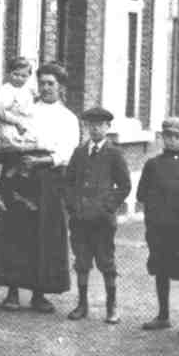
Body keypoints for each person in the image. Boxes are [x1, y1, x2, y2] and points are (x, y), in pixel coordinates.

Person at [0, 62, 79, 312]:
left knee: (45, 234)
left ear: (61, 87)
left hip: (49, 177)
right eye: (42, 83)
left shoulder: (68, 118)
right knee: (16, 231)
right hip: (21, 174)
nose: (46, 87)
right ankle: (12, 289)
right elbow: (10, 132)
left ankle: (40, 293)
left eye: (51, 83)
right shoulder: (27, 110)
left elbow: (67, 151)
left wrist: (44, 160)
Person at [64, 106, 130, 324]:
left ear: (108, 127)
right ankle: (82, 305)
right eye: (90, 125)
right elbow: (68, 182)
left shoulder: (114, 153)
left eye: (100, 125)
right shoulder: (79, 152)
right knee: (81, 261)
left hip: (102, 220)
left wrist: (107, 207)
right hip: (80, 219)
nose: (95, 129)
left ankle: (112, 307)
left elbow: (124, 186)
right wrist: (73, 206)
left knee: (106, 261)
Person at [137, 117, 179, 333]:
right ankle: (163, 315)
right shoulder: (152, 165)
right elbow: (142, 194)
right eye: (168, 136)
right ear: (162, 137)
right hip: (159, 230)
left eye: (177, 136)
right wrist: (152, 222)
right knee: (161, 271)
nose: (172, 140)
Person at [0, 57, 40, 155]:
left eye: (24, 76)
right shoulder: (6, 89)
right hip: (9, 124)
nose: (19, 78)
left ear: (29, 76)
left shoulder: (28, 90)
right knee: (11, 148)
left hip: (25, 123)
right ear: (9, 73)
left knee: (29, 147)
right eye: (16, 74)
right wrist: (17, 122)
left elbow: (33, 105)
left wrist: (36, 98)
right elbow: (0, 111)